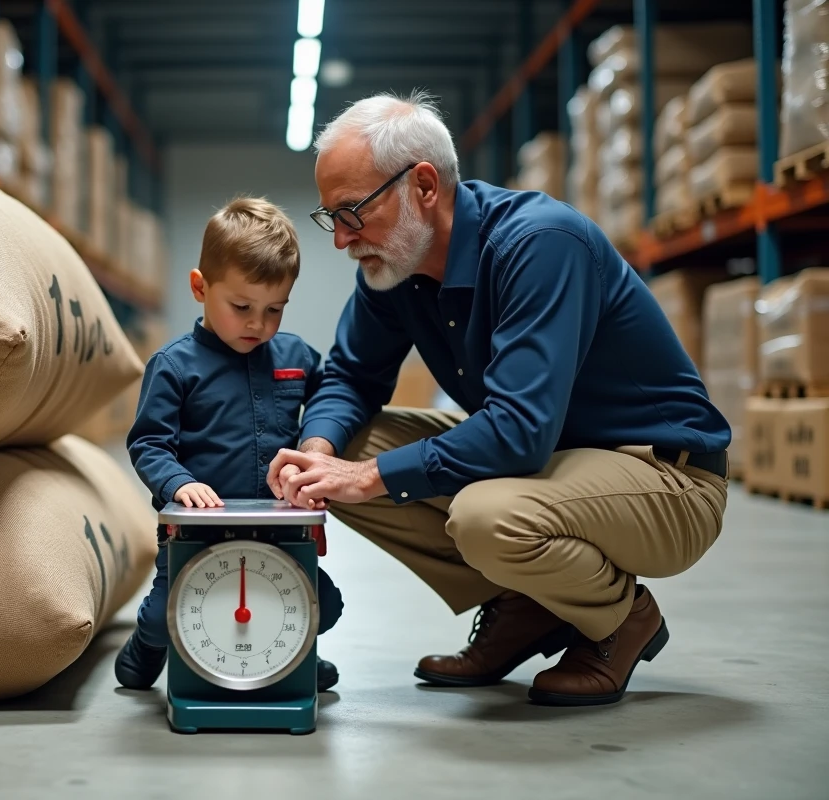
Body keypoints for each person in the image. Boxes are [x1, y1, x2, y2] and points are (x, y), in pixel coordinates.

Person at [267, 91, 731, 707]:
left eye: (352, 212)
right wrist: (320, 452)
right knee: (342, 456)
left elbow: (518, 431)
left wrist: (370, 477)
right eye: (332, 218)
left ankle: (622, 619)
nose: (342, 240)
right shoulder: (392, 266)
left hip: (664, 477)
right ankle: (526, 606)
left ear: (424, 186)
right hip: (552, 464)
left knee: (486, 516)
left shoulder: (539, 244)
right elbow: (351, 376)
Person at [116, 197, 345, 693]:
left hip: (279, 529)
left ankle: (295, 655)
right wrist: (180, 484)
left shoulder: (295, 356)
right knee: (164, 616)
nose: (258, 324)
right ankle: (148, 643)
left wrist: (316, 448)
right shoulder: (174, 366)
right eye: (241, 307)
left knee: (321, 607)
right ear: (201, 287)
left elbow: (331, 392)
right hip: (196, 532)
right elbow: (149, 443)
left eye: (274, 310)